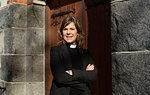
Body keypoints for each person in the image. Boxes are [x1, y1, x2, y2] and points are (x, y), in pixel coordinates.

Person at [50, 16, 97, 95]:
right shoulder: (56, 51)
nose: (68, 32)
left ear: (77, 32)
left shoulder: (85, 53)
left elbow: (93, 75)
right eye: (65, 29)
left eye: (72, 29)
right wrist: (84, 80)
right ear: (61, 32)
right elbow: (60, 78)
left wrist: (73, 72)